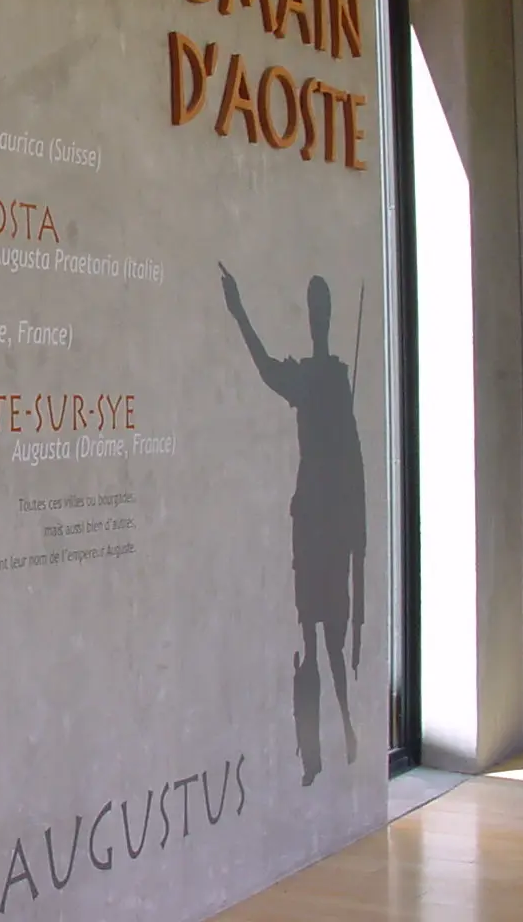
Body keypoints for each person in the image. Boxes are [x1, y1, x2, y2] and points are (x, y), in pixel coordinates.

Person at [220, 265, 366, 787]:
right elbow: (265, 369)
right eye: (314, 308)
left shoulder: (328, 379)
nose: (317, 317)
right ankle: (316, 752)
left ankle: (342, 731)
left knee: (329, 636)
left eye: (320, 308)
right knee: (313, 634)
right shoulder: (319, 378)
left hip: (324, 519)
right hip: (313, 518)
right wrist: (239, 312)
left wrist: (240, 312)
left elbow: (352, 461)